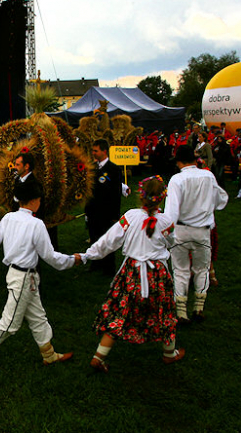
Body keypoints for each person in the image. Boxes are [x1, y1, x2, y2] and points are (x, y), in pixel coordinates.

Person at [0, 180, 78, 373]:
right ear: (34, 200)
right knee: (10, 322)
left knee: (38, 316)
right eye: (39, 199)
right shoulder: (36, 224)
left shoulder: (9, 218)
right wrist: (72, 260)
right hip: (23, 278)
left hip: (22, 275)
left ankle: (48, 354)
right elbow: (50, 256)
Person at [81, 175, 183, 372]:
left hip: (131, 273)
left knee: (120, 311)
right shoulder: (166, 222)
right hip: (157, 275)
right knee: (164, 311)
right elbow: (172, 242)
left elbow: (109, 240)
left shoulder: (130, 217)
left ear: (141, 195)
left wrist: (89, 254)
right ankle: (169, 353)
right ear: (162, 198)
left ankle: (99, 356)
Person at [164, 145, 228, 325]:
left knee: (180, 270)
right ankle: (198, 308)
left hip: (182, 230)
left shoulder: (177, 179)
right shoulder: (208, 176)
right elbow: (221, 200)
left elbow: (171, 211)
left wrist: (167, 234)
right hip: (203, 230)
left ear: (179, 162)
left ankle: (181, 311)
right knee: (202, 269)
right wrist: (205, 207)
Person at [85, 139, 122, 275]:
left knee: (107, 240)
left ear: (104, 151)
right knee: (94, 238)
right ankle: (95, 263)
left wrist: (114, 215)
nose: (93, 153)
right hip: (93, 211)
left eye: (96, 151)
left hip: (106, 212)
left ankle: (109, 267)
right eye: (93, 150)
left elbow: (116, 194)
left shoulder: (114, 169)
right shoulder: (92, 168)